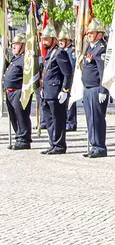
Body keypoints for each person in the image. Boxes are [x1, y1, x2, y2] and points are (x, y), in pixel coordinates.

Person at [40, 27, 72, 155]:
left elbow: (68, 73)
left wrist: (65, 90)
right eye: (43, 40)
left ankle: (59, 145)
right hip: (47, 92)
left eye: (46, 39)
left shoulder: (60, 53)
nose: (44, 42)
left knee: (58, 120)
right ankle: (53, 143)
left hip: (56, 92)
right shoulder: (49, 53)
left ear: (54, 39)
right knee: (49, 121)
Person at [81, 19, 109, 158]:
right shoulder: (91, 48)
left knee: (97, 119)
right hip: (88, 89)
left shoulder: (101, 49)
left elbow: (103, 71)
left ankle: (99, 147)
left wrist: (103, 90)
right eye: (89, 33)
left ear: (99, 34)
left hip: (96, 89)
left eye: (92, 33)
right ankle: (94, 145)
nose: (89, 35)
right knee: (90, 119)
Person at [4, 33, 32, 150]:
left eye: (17, 44)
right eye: (13, 44)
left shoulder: (26, 60)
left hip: (19, 92)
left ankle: (24, 140)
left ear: (23, 46)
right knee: (13, 117)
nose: (13, 47)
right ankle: (18, 137)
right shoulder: (14, 59)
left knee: (21, 116)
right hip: (10, 92)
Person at [58, 28, 78, 131]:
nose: (60, 42)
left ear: (68, 41)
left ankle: (71, 122)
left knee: (70, 101)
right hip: (64, 79)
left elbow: (72, 66)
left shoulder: (71, 51)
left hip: (70, 79)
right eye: (59, 40)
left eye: (63, 40)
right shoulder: (63, 51)